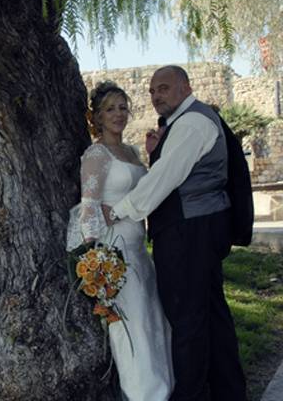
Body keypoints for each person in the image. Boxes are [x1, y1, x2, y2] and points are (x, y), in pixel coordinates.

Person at [106, 65, 247, 400]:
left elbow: (165, 179)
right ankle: (228, 391)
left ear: (186, 87)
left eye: (164, 88)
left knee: (187, 321)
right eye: (153, 91)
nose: (156, 96)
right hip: (198, 229)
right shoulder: (187, 122)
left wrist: (121, 209)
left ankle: (192, 394)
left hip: (189, 233)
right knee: (211, 317)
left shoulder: (193, 123)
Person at [71, 80, 174, 400]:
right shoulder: (96, 154)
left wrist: (154, 156)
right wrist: (95, 261)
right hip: (113, 254)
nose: (119, 114)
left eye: (123, 107)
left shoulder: (130, 152)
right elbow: (88, 207)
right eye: (110, 109)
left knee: (154, 322)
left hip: (139, 250)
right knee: (132, 327)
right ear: (97, 118)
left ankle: (165, 389)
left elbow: (146, 193)